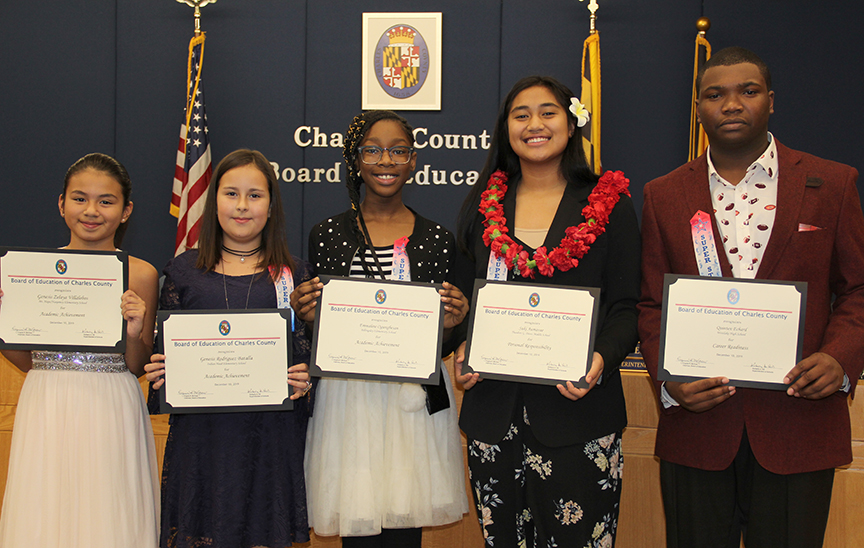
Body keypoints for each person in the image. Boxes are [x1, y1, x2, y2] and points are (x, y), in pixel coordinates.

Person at [638, 47, 864, 548]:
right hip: (699, 428)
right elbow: (651, 304)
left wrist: (840, 358)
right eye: (715, 94)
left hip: (799, 423)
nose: (732, 104)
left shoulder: (833, 183)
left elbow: (858, 290)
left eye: (748, 91)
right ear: (699, 108)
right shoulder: (664, 194)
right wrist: (672, 381)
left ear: (772, 102)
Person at [452, 76, 641, 547]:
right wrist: (461, 349)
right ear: (506, 129)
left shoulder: (609, 204)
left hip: (580, 414)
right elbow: (462, 303)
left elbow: (626, 307)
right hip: (494, 418)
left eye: (548, 112)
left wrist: (600, 359)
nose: (535, 124)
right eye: (521, 115)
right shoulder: (482, 207)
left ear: (571, 123)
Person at [289, 110, 469, 548]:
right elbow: (321, 335)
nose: (385, 160)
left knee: (405, 525)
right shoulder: (327, 234)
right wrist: (307, 315)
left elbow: (442, 342)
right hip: (349, 400)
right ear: (354, 160)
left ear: (413, 162)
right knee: (360, 518)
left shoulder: (439, 239)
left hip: (414, 403)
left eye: (398, 151)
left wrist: (455, 322)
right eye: (372, 149)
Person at [144, 149, 314, 548]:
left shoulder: (297, 273)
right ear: (212, 200)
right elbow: (162, 356)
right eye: (231, 193)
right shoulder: (182, 272)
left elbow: (306, 355)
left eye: (255, 195)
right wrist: (159, 371)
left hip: (270, 439)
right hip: (203, 440)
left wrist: (305, 378)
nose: (242, 206)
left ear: (271, 206)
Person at [0, 153, 160, 547]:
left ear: (126, 211)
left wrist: (137, 330)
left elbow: (138, 366)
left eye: (106, 201)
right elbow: (26, 360)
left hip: (112, 404)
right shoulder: (31, 273)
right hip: (46, 399)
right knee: (44, 509)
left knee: (109, 512)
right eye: (80, 198)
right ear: (61, 203)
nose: (92, 211)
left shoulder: (141, 274)